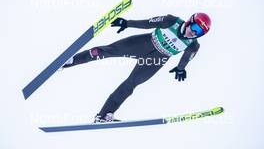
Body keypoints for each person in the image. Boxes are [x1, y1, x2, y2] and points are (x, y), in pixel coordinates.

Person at [62, 13, 211, 123]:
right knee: (107, 50)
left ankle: (103, 116)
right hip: (144, 43)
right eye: (196, 27)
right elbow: (148, 23)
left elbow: (187, 58)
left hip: (155, 60)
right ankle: (69, 61)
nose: (195, 33)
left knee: (130, 84)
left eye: (200, 32)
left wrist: (180, 68)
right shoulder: (171, 21)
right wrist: (128, 23)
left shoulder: (193, 45)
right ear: (190, 21)